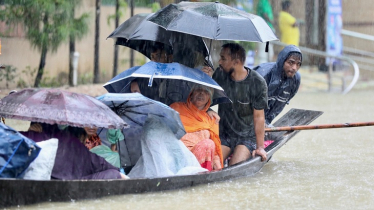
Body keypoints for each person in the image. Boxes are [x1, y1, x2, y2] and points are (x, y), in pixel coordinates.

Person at [212, 43, 268, 166]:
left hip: (247, 137)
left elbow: (259, 117)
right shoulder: (219, 75)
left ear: (236, 62)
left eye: (223, 58)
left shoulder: (257, 83)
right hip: (225, 134)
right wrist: (205, 79)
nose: (219, 62)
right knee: (212, 165)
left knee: (234, 168)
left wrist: (260, 147)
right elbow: (204, 99)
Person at [20, 123, 128, 180]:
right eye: (87, 123)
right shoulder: (70, 141)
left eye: (94, 124)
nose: (91, 127)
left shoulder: (94, 143)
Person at [170, 85, 223, 171]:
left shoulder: (212, 118)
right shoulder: (176, 108)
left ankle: (203, 177)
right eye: (198, 90)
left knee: (208, 144)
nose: (201, 93)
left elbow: (215, 151)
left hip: (200, 163)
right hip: (178, 157)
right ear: (191, 93)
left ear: (209, 98)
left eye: (206, 91)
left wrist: (218, 169)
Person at [253, 45, 302, 125]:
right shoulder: (263, 75)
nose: (294, 68)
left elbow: (279, 106)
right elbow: (245, 105)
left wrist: (266, 122)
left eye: (298, 64)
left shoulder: (295, 79)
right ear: (282, 61)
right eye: (291, 62)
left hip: (264, 121)